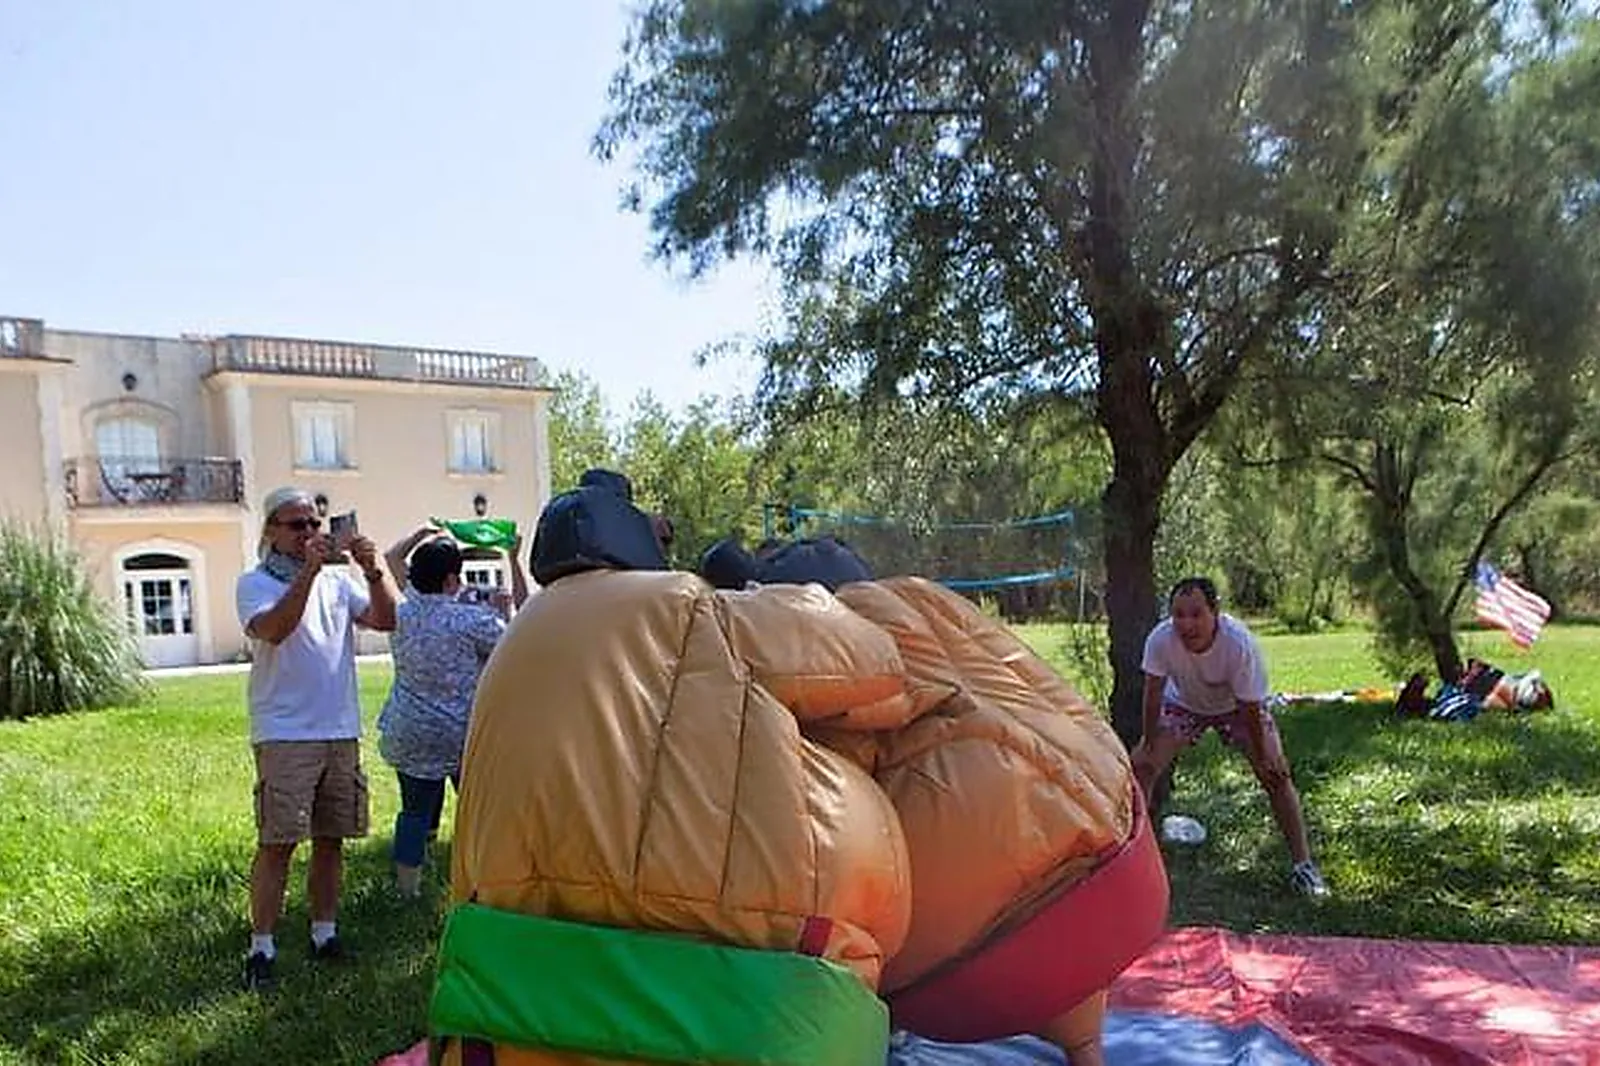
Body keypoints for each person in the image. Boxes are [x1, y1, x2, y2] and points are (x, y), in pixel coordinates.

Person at [235, 487, 397, 992]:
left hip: (339, 728)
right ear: (272, 531)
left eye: (314, 524)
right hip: (285, 733)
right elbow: (275, 629)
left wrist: (372, 571)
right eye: (296, 525)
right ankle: (261, 946)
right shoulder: (254, 583)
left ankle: (324, 934)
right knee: (278, 841)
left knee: (332, 838)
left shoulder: (338, 581)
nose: (308, 533)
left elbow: (387, 620)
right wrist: (308, 572)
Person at [1132, 576, 1329, 898]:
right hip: (1183, 704)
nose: (1187, 624)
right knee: (1140, 767)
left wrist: (1264, 754)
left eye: (1196, 614)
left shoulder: (1238, 644)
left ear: (1216, 612)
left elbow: (1249, 706)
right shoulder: (1160, 639)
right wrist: (1150, 742)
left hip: (1237, 708)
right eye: (1179, 614)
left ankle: (1303, 866)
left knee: (1276, 774)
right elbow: (1152, 694)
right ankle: (1135, 859)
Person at [377, 527, 526, 896]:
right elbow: (514, 644)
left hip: (409, 729)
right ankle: (486, 881)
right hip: (461, 734)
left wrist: (419, 534)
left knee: (413, 814)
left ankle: (407, 886)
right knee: (478, 811)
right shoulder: (471, 620)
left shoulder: (400, 612)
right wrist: (501, 609)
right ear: (450, 579)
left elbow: (391, 558)